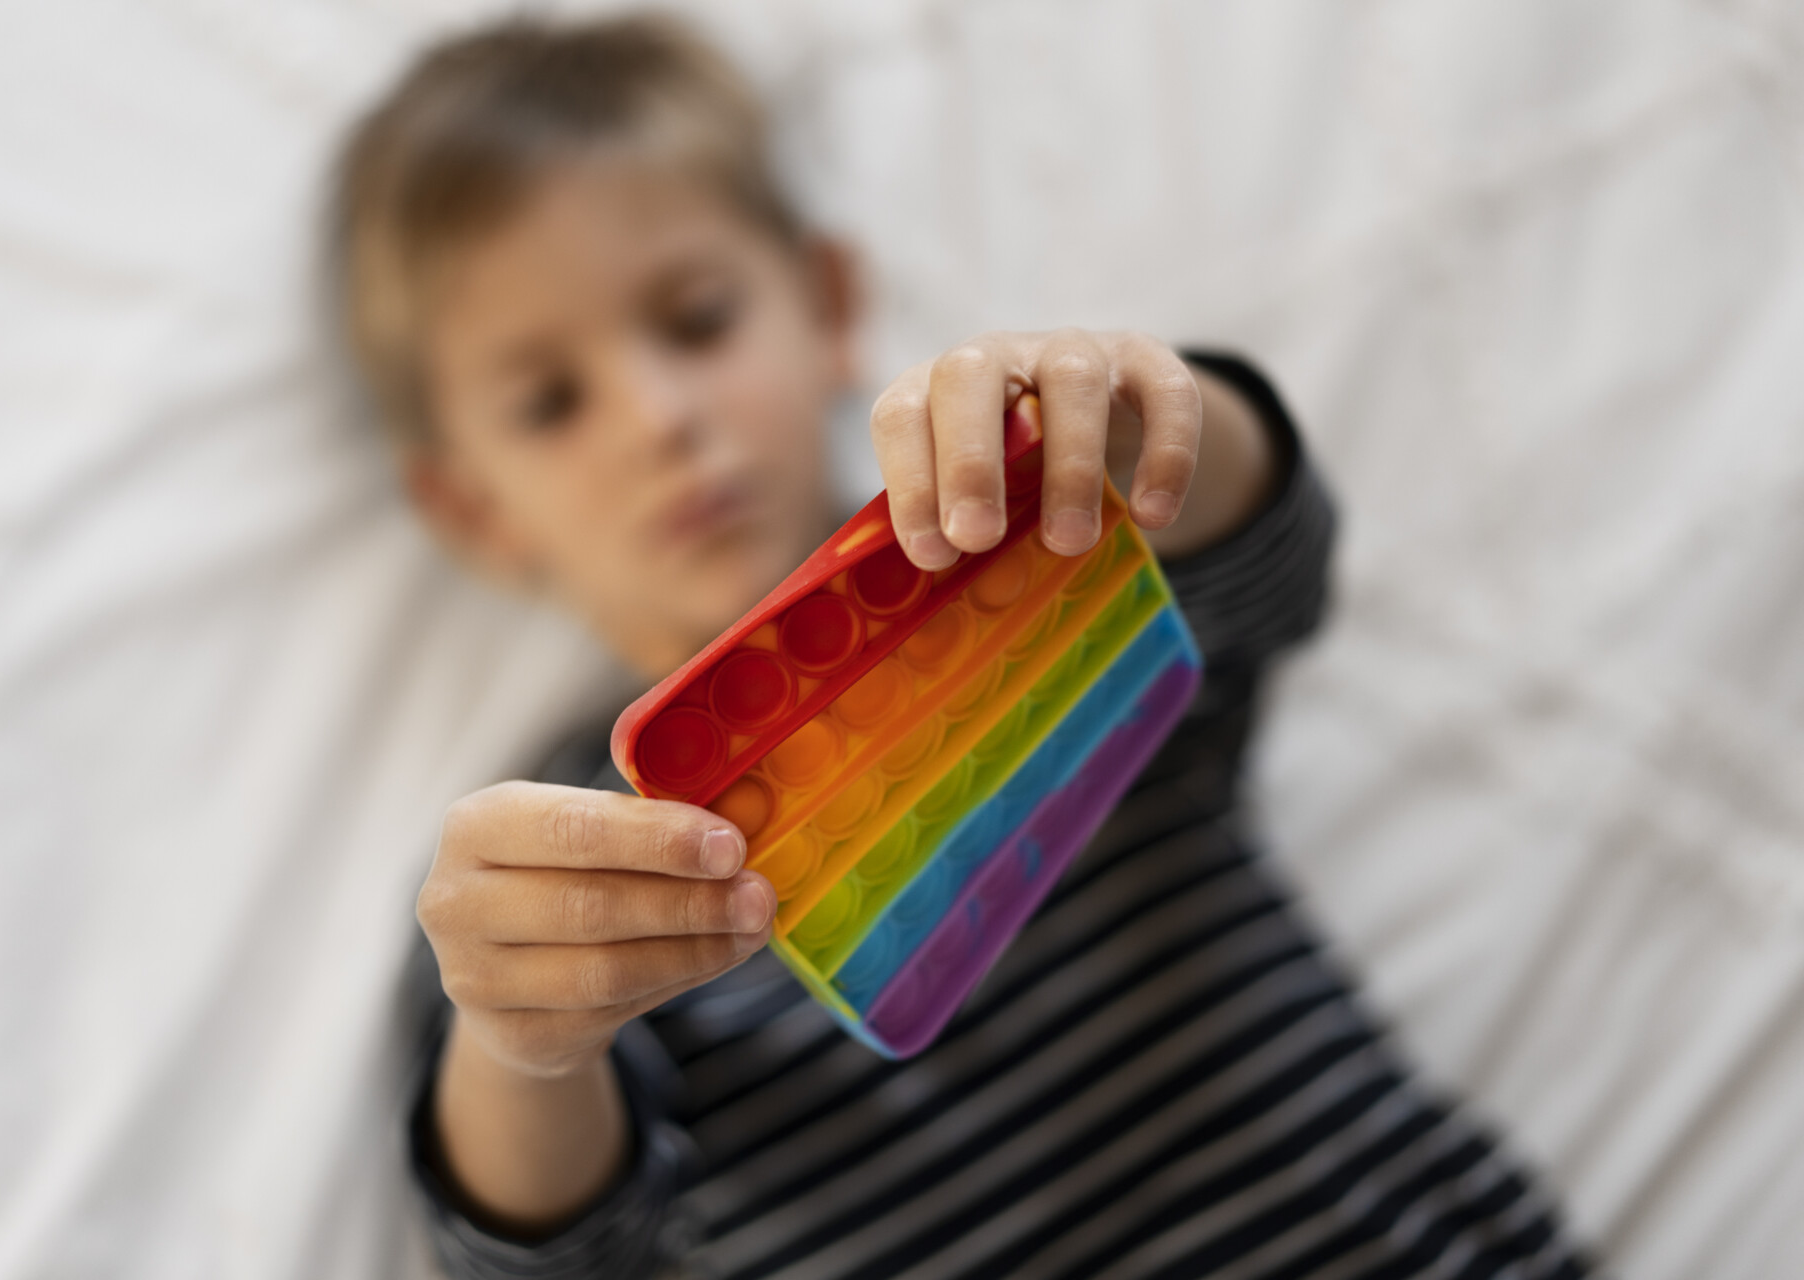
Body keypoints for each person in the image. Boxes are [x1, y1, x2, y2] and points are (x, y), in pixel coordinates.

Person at [331, 14, 1593, 1279]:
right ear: (473, 508)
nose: (660, 417)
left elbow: (1272, 564)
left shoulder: (1030, 558)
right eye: (551, 403)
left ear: (826, 304)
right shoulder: (539, 875)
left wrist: (1142, 426)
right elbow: (542, 1251)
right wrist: (518, 1041)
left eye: (699, 320)